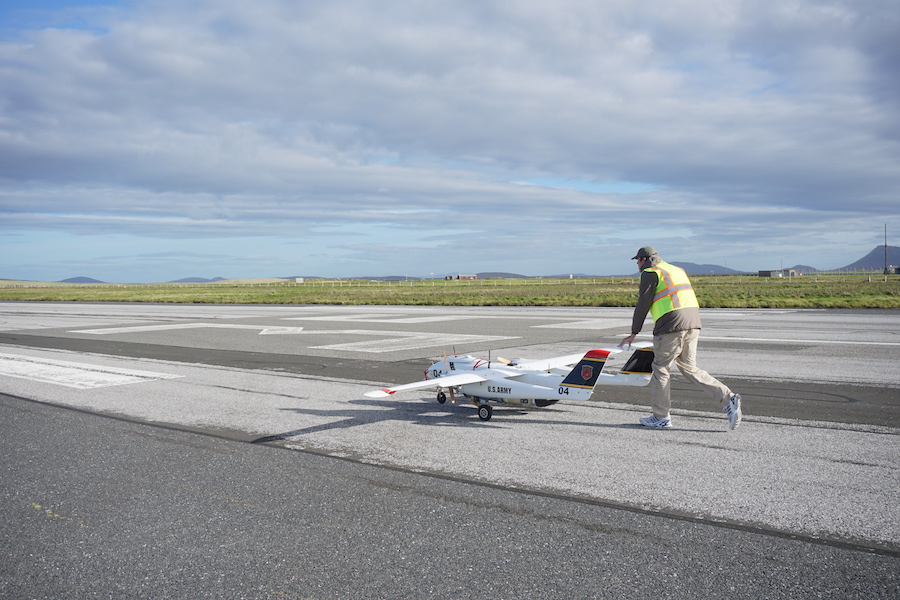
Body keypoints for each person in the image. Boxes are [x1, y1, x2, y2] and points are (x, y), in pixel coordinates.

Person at [619, 246, 742, 430]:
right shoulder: (676, 270)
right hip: (693, 322)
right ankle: (728, 398)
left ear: (644, 259)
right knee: (689, 367)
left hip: (671, 325)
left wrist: (633, 333)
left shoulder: (650, 273)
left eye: (637, 260)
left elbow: (642, 304)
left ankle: (661, 417)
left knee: (661, 367)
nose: (637, 263)